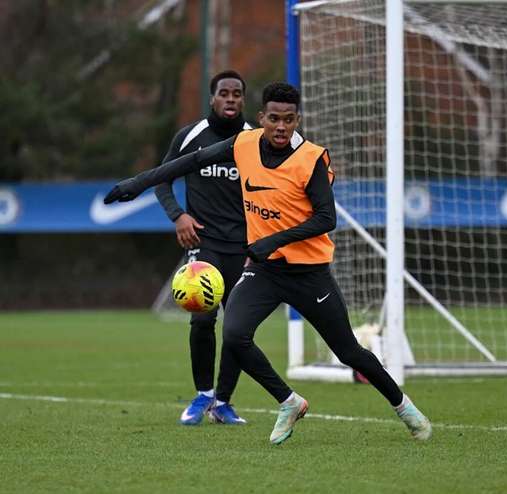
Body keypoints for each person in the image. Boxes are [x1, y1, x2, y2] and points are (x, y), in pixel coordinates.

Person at [104, 81, 432, 443]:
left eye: (288, 120)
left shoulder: (311, 159)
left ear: (297, 120)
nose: (280, 127)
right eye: (274, 118)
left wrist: (271, 241)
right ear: (261, 118)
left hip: (309, 274)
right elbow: (193, 161)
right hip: (264, 271)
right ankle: (289, 402)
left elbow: (326, 219)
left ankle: (405, 407)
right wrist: (137, 183)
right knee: (234, 334)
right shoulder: (243, 144)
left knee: (348, 351)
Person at [154, 70, 256, 426]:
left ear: (244, 100)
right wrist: (179, 216)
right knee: (202, 319)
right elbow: (161, 180)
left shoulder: (253, 139)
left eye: (237, 94)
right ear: (212, 99)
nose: (231, 99)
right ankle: (203, 395)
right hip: (204, 243)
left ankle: (224, 402)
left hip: (244, 248)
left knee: (239, 330)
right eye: (224, 93)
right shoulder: (191, 136)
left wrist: (258, 241)